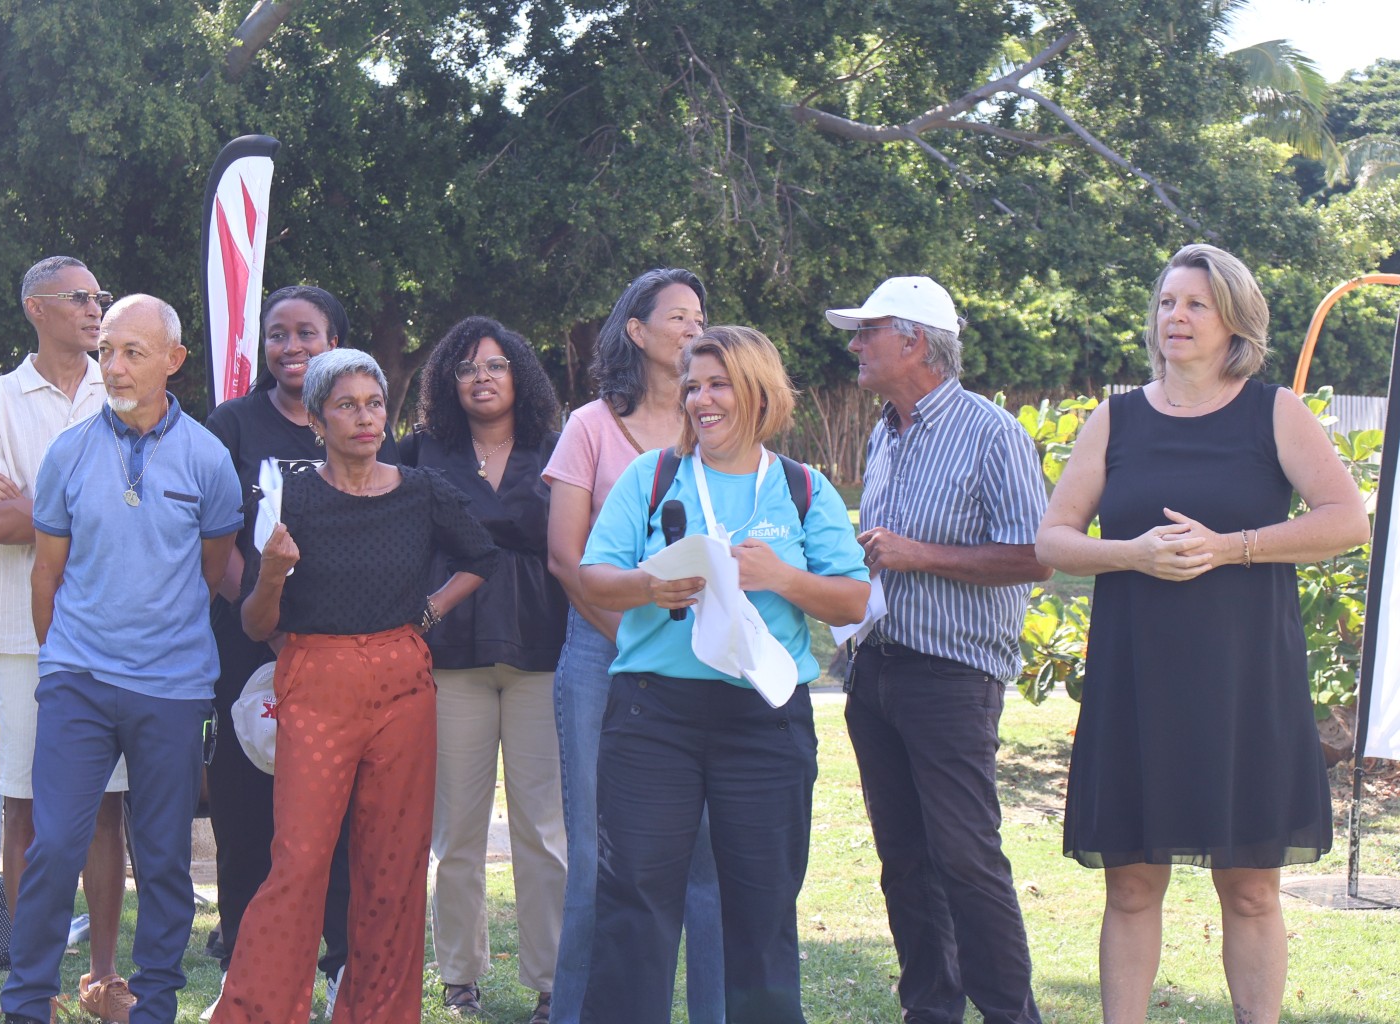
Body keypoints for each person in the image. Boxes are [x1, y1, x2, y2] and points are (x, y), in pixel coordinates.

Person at [1034, 244, 1368, 1024]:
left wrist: (1231, 547)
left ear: (1235, 321)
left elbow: (1346, 521)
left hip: (1246, 681)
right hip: (1137, 680)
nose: (1175, 317)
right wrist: (1133, 555)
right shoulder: (1115, 419)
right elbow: (1053, 540)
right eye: (1166, 303)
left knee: (1250, 888)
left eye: (1195, 304)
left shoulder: (1274, 412)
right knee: (1130, 884)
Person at [577, 325, 868, 1024]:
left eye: (719, 385)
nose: (701, 400)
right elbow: (594, 576)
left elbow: (854, 600)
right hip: (652, 717)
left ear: (759, 393)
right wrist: (649, 586)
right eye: (692, 387)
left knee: (763, 910)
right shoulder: (652, 476)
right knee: (635, 903)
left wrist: (783, 577)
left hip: (765, 722)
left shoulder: (802, 487)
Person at [212, 349, 498, 1024]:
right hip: (316, 680)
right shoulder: (291, 498)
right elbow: (256, 622)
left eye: (374, 404)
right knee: (300, 860)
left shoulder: (421, 491)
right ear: (317, 421)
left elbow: (483, 555)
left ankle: (378, 1014)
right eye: (347, 405)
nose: (366, 418)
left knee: (394, 865)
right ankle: (259, 1013)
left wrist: (429, 612)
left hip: (404, 685)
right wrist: (272, 573)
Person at [0, 294, 242, 1024]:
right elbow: (46, 575)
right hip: (77, 679)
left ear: (174, 360)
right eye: (105, 349)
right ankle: (26, 1002)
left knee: (164, 854)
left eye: (133, 351)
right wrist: (62, 663)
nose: (114, 365)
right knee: (55, 844)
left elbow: (211, 570)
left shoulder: (208, 457)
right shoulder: (68, 452)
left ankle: (154, 1002)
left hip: (173, 686)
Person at [827, 275, 1050, 1024]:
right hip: (875, 670)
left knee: (964, 855)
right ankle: (929, 1011)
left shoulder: (993, 433)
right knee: (904, 860)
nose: (855, 346)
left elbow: (1036, 556)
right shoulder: (883, 433)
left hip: (953, 678)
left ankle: (1011, 1015)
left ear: (915, 341)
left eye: (868, 331)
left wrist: (919, 554)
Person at [201, 286, 395, 1018]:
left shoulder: (362, 419)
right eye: (277, 334)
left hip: (342, 652)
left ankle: (340, 965)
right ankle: (248, 972)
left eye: (307, 333)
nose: (291, 347)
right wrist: (267, 619)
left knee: (342, 814)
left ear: (334, 341)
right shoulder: (232, 424)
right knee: (247, 814)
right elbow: (216, 540)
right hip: (250, 643)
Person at [541, 267, 724, 1024]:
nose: (693, 327)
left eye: (700, 316)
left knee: (709, 863)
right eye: (678, 316)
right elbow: (565, 559)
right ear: (637, 332)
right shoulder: (589, 426)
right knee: (597, 859)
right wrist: (639, 646)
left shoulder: (717, 425)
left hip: (705, 661)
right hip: (603, 657)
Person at [0, 256, 132, 1022]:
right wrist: (95, 496)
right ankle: (34, 982)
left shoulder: (126, 391)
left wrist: (40, 500)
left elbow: (145, 507)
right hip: (21, 636)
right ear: (36, 306)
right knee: (24, 808)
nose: (96, 310)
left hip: (116, 635)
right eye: (80, 297)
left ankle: (103, 976)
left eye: (101, 298)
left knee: (105, 810)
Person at [402, 316, 567, 1024]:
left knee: (544, 831)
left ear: (519, 375)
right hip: (453, 656)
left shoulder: (558, 449)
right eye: (467, 367)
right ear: (448, 381)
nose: (481, 377)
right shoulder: (421, 451)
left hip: (542, 651)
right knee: (456, 831)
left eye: (496, 365)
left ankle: (552, 979)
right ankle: (458, 976)